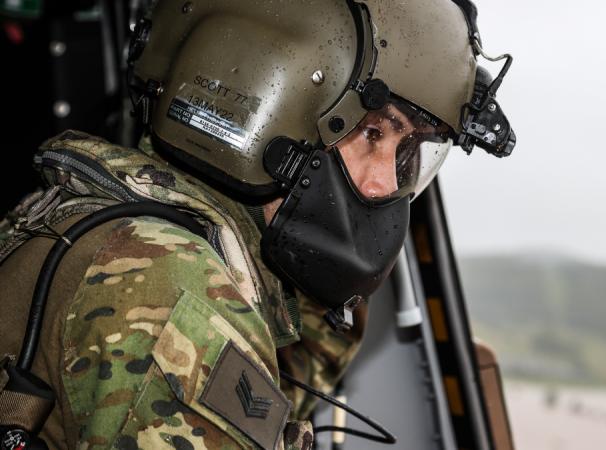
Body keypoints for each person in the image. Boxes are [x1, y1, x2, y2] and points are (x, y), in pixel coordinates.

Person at [0, 0, 515, 449]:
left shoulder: (133, 232)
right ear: (270, 91)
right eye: (375, 133)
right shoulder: (170, 285)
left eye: (407, 156)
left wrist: (331, 272)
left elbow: (278, 391)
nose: (385, 184)